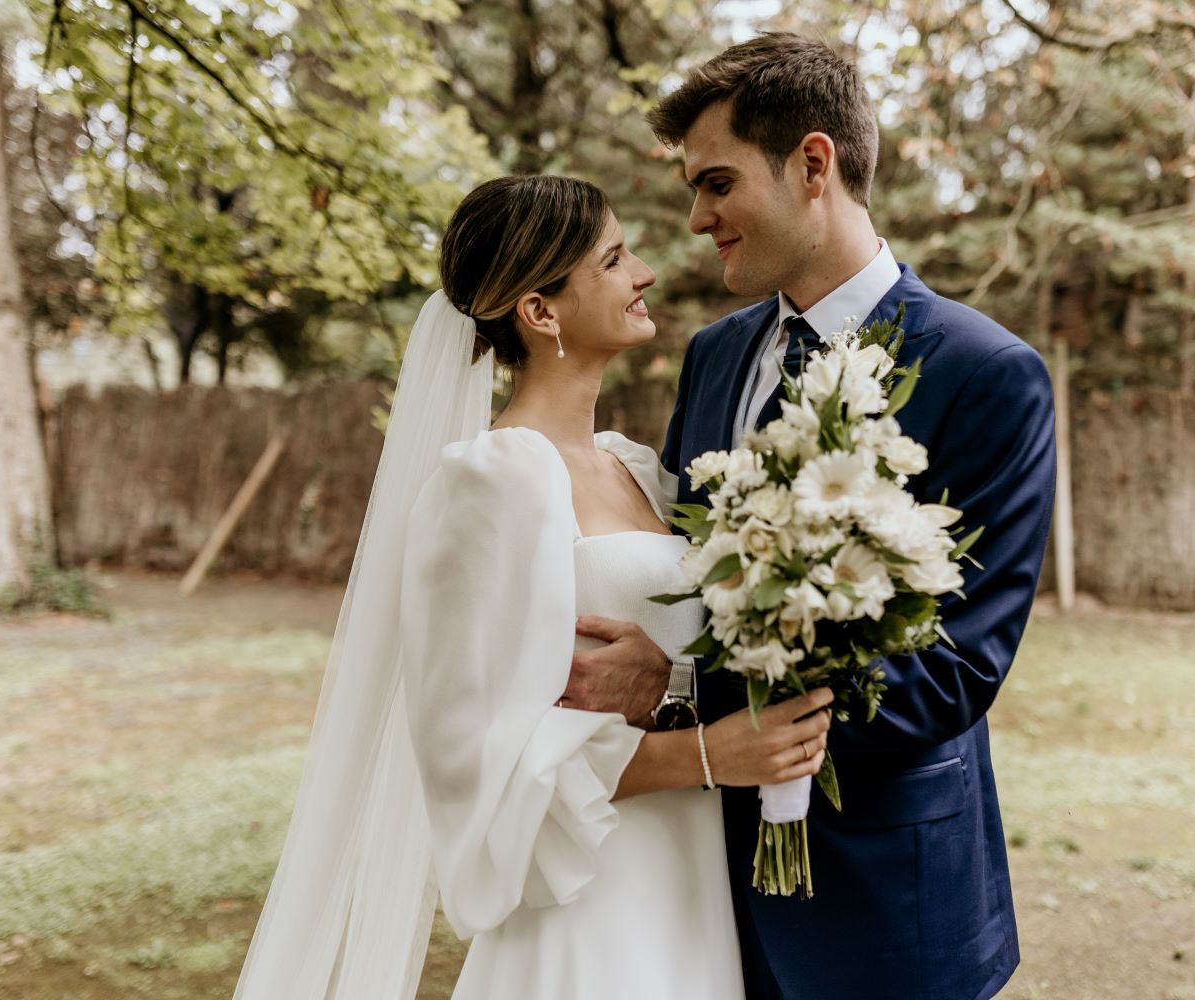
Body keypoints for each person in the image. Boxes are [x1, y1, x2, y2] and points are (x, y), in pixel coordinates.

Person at [231, 174, 832, 1000]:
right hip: (589, 908)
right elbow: (472, 754)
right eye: (614, 260)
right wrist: (701, 755)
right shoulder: (490, 481)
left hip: (692, 888)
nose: (645, 273)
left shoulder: (636, 470)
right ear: (540, 312)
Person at [564, 33, 1057, 1000]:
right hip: (700, 895)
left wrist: (683, 685)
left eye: (717, 183)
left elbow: (955, 670)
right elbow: (694, 575)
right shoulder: (713, 355)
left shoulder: (986, 374)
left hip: (888, 903)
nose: (697, 219)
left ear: (813, 164)